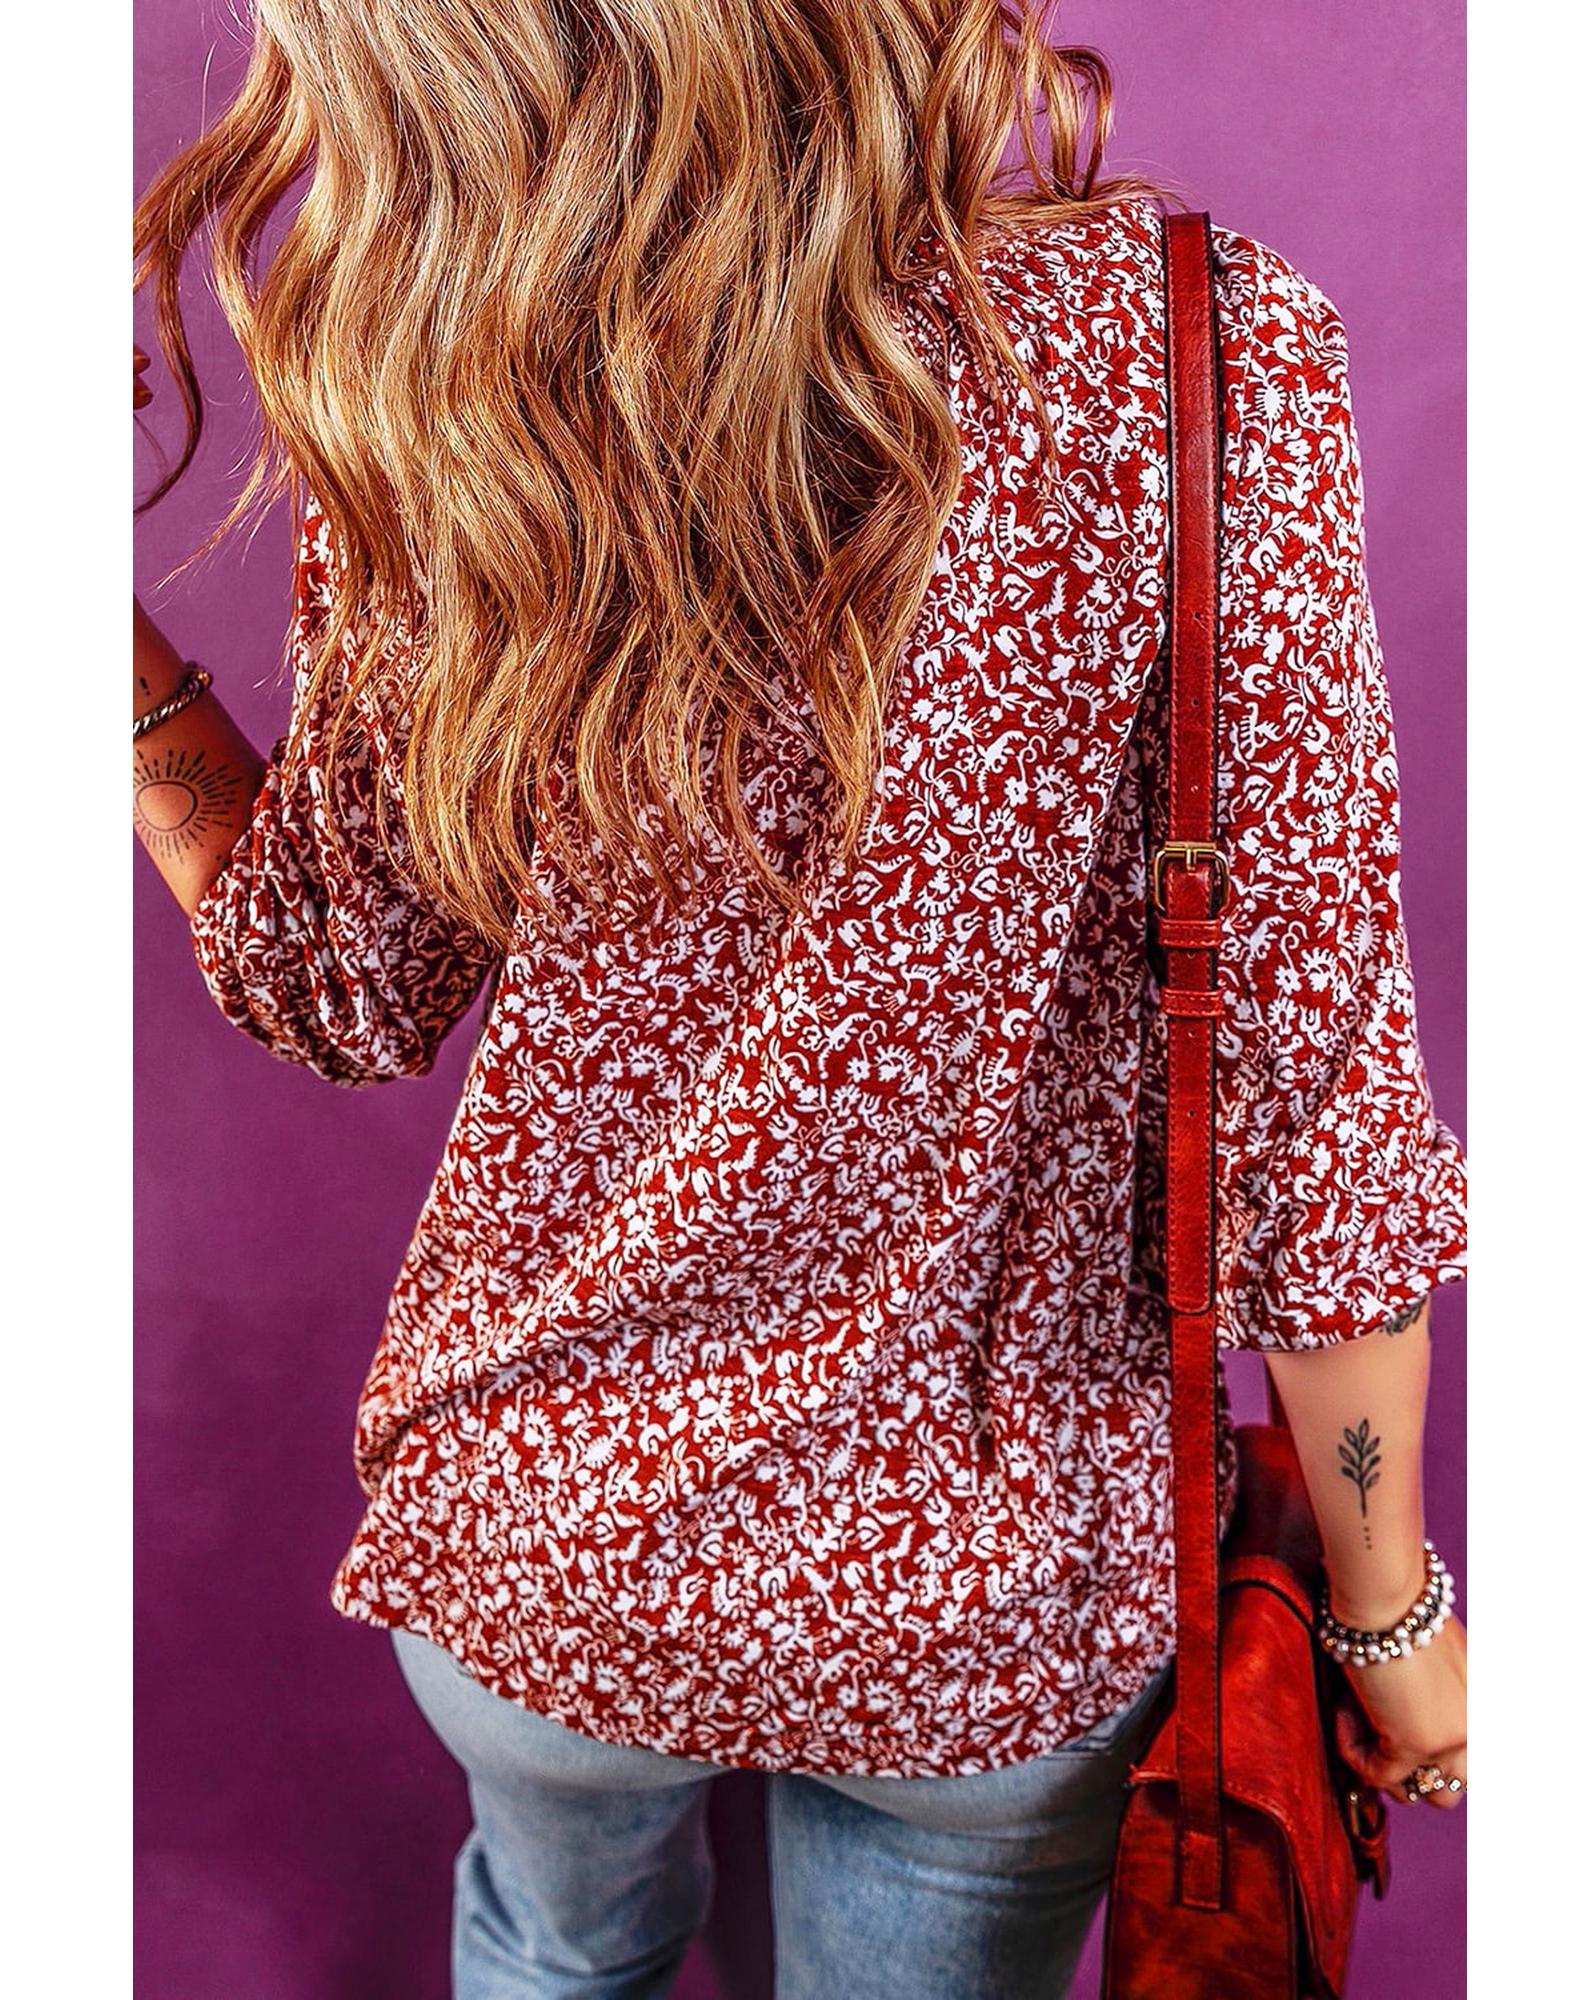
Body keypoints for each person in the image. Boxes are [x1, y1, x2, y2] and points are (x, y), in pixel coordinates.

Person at [133, 5, 1468, 1995]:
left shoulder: (450, 385)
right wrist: (1383, 1611)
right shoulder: (1194, 355)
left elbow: (336, 977)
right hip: (989, 1597)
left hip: (549, 1534)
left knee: (551, 1954)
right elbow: (1314, 1091)